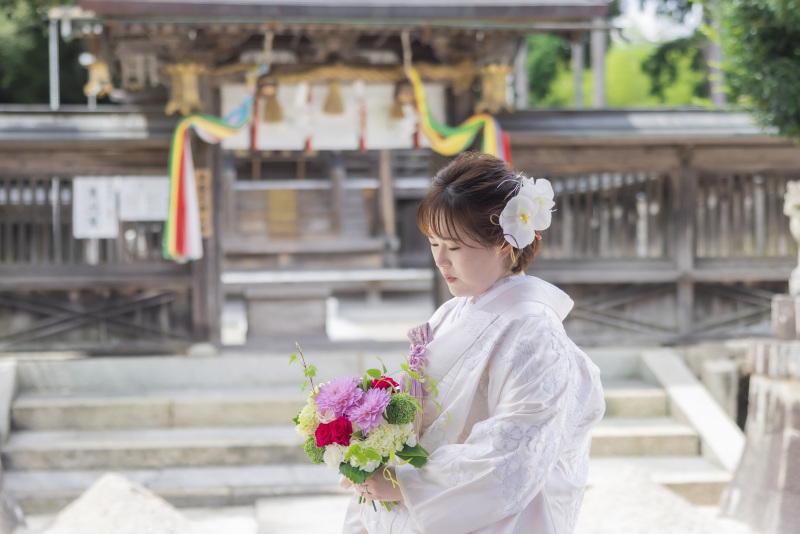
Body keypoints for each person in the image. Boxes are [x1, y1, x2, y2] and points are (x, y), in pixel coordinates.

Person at [342, 152, 606, 534]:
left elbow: (512, 456)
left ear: (503, 242)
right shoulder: (452, 313)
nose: (441, 261)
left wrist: (406, 482)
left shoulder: (536, 334)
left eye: (455, 247)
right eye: (434, 244)